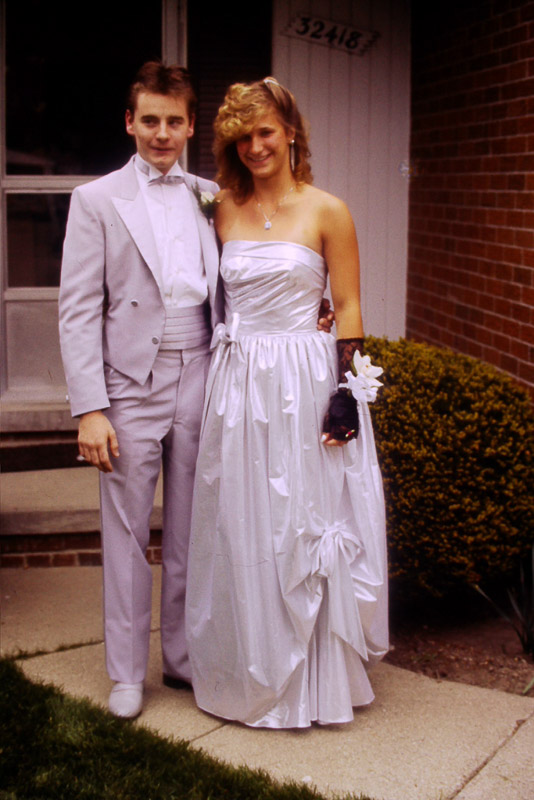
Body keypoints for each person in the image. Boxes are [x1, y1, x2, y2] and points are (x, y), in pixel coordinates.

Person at [59, 63, 332, 720]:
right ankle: (127, 672)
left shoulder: (213, 196)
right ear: (130, 123)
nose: (162, 133)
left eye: (174, 121)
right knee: (127, 531)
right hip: (129, 383)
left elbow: (253, 267)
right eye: (150, 120)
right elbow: (77, 309)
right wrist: (90, 408)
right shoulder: (96, 200)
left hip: (208, 371)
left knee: (195, 526)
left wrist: (311, 311)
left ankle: (183, 656)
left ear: (189, 128)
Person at [185, 78, 388, 728]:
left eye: (266, 132)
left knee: (302, 515)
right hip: (239, 384)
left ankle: (315, 683)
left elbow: (348, 305)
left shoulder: (329, 210)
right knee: (244, 517)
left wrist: (346, 397)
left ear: (291, 132)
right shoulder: (219, 208)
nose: (255, 146)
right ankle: (250, 661)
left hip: (305, 382)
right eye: (242, 137)